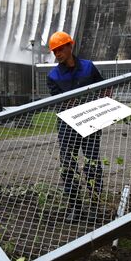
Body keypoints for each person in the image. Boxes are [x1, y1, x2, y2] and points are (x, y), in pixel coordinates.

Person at [46, 31, 105, 221]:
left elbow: (103, 87)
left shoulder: (88, 67)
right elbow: (60, 103)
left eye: (60, 49)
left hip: (91, 121)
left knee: (92, 163)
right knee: (68, 164)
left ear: (70, 46)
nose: (57, 54)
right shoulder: (53, 76)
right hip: (67, 125)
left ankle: (95, 205)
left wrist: (103, 100)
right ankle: (75, 207)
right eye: (54, 51)